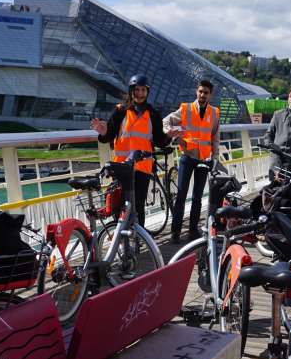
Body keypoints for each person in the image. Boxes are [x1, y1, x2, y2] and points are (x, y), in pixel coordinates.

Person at [91, 74, 172, 226]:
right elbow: (109, 135)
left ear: (147, 92)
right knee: (120, 204)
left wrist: (169, 136)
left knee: (138, 206)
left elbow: (160, 140)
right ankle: (121, 240)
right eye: (137, 90)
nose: (140, 94)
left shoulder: (153, 114)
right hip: (121, 166)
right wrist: (102, 132)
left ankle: (138, 241)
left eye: (143, 90)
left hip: (143, 166)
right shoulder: (121, 111)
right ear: (131, 91)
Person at [163, 79, 221, 243]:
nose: (202, 95)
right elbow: (165, 122)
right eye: (200, 91)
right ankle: (175, 232)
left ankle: (193, 231)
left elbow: (215, 137)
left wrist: (215, 158)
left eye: (206, 93)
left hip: (204, 159)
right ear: (197, 92)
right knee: (181, 196)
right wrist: (173, 134)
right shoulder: (185, 109)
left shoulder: (214, 113)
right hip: (187, 157)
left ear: (211, 95)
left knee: (197, 197)